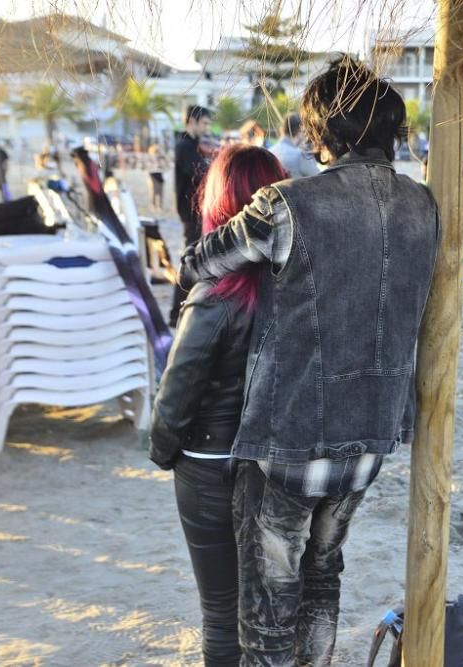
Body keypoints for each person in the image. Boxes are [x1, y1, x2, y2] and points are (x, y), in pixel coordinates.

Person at [177, 56, 439, 666]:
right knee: (323, 576)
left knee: (270, 604)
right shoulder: (423, 205)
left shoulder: (287, 204)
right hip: (373, 436)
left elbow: (200, 263)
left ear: (322, 132)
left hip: (290, 438)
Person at [149, 145, 287, 666]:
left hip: (210, 466)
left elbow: (174, 400)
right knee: (275, 609)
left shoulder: (217, 292)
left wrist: (165, 454)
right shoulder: (296, 288)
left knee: (223, 613)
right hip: (277, 465)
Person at [171, 104, 213, 327]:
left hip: (195, 213)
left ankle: (181, 308)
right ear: (191, 122)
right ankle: (175, 311)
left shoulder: (193, 146)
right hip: (191, 214)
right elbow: (201, 174)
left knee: (193, 259)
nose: (206, 128)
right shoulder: (185, 146)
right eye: (204, 123)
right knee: (189, 261)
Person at [269, 112, 320, 179]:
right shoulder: (301, 156)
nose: (306, 136)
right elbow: (320, 178)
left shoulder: (269, 152)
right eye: (304, 132)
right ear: (300, 130)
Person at [146, 144, 166, 213]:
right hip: (152, 175)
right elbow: (147, 167)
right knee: (153, 192)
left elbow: (165, 165)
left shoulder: (161, 157)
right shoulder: (149, 158)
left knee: (160, 191)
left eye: (157, 151)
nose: (156, 153)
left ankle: (159, 206)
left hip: (159, 175)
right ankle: (153, 205)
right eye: (155, 151)